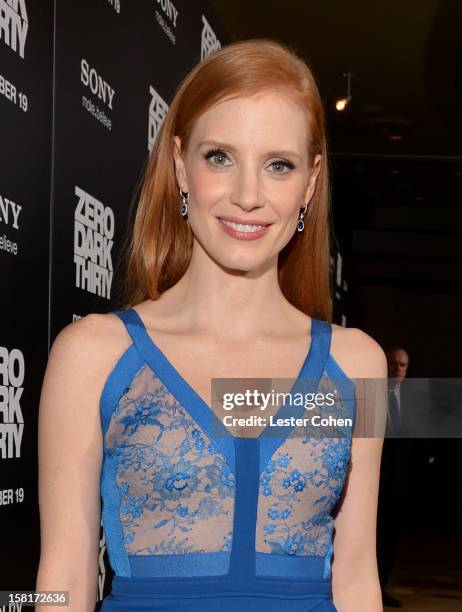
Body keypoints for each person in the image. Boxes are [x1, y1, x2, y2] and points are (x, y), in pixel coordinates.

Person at [36, 39, 387, 611]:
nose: (248, 195)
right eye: (219, 157)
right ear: (180, 164)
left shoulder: (358, 364)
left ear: (311, 182)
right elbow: (63, 582)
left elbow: (356, 578)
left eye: (279, 165)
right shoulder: (92, 354)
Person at [377, 346, 412, 608]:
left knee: (391, 536)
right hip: (375, 479)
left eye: (402, 365)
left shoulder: (410, 400)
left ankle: (382, 585)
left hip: (398, 480)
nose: (397, 369)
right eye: (393, 364)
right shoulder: (372, 396)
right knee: (374, 534)